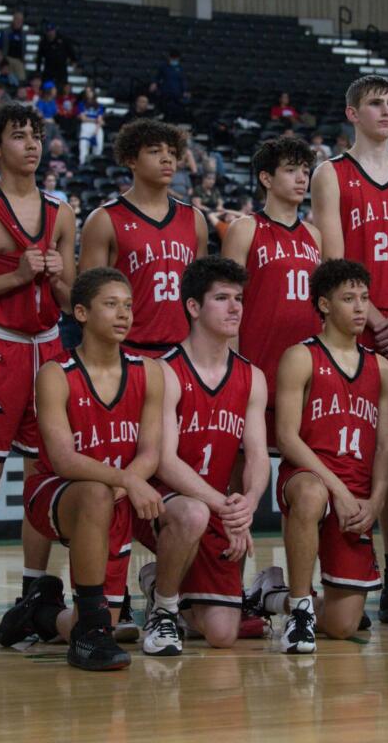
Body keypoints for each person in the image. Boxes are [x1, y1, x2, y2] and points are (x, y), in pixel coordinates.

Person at [312, 74, 388, 624]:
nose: (386, 112)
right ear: (352, 112)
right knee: (359, 452)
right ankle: (350, 577)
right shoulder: (331, 173)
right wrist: (376, 318)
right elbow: (333, 257)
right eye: (375, 104)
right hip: (355, 325)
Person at [0, 103, 75, 646]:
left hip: (47, 349)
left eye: (37, 135)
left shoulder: (62, 210)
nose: (32, 144)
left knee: (40, 480)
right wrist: (20, 276)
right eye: (19, 136)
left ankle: (31, 597)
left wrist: (56, 281)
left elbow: (74, 301)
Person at [0, 267, 164, 671]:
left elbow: (151, 451)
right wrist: (126, 480)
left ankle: (39, 613)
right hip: (55, 491)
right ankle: (88, 640)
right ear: (81, 313)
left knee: (102, 618)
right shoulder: (56, 373)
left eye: (127, 305)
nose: (123, 314)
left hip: (115, 494)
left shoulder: (150, 372)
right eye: (110, 305)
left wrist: (128, 483)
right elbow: (63, 460)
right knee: (94, 492)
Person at [248, 259, 388, 652]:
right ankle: (298, 609)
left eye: (364, 298)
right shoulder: (301, 356)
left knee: (344, 625)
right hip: (307, 476)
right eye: (349, 298)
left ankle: (271, 597)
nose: (361, 307)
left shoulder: (381, 368)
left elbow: (384, 446)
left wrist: (376, 500)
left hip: (357, 489)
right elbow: (287, 437)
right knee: (313, 495)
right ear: (325, 305)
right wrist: (338, 491)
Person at [144, 257, 270, 648]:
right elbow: (164, 461)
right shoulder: (165, 370)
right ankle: (163, 610)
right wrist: (225, 508)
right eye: (221, 298)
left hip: (215, 505)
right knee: (193, 513)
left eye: (238, 298)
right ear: (193, 307)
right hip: (159, 501)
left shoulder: (252, 376)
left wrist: (247, 504)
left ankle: (161, 581)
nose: (235, 307)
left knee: (221, 635)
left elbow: (258, 456)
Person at [221, 136, 322, 450]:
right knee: (248, 469)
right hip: (259, 366)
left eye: (305, 170)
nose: (302, 178)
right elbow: (227, 304)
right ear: (266, 178)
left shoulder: (315, 234)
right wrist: (234, 371)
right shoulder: (245, 229)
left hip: (307, 372)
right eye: (291, 170)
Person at [79, 119, 208, 357]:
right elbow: (88, 298)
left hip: (183, 352)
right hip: (125, 351)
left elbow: (200, 294)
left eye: (171, 152)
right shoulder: (104, 219)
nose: (167, 158)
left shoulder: (194, 219)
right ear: (131, 160)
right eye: (155, 151)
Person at [150, 50, 189, 122]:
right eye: (173, 58)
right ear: (169, 58)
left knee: (175, 111)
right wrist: (154, 83)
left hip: (176, 93)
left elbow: (183, 80)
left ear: (178, 59)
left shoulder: (181, 68)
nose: (174, 60)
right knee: (164, 109)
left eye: (176, 59)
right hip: (165, 92)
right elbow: (157, 77)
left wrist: (185, 90)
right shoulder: (163, 67)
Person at [37, 22, 78, 88]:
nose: (50, 33)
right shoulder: (43, 42)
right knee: (48, 88)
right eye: (48, 31)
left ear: (55, 31)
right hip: (49, 70)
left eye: (52, 30)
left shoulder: (63, 40)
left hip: (61, 70)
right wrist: (38, 70)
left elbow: (71, 51)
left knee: (61, 88)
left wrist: (74, 60)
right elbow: (39, 57)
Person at [0, 12, 28, 82]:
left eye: (21, 20)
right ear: (13, 20)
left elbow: (24, 48)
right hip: (7, 59)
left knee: (21, 79)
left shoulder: (23, 34)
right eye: (17, 19)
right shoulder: (6, 32)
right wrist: (0, 58)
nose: (19, 22)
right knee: (9, 78)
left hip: (18, 60)